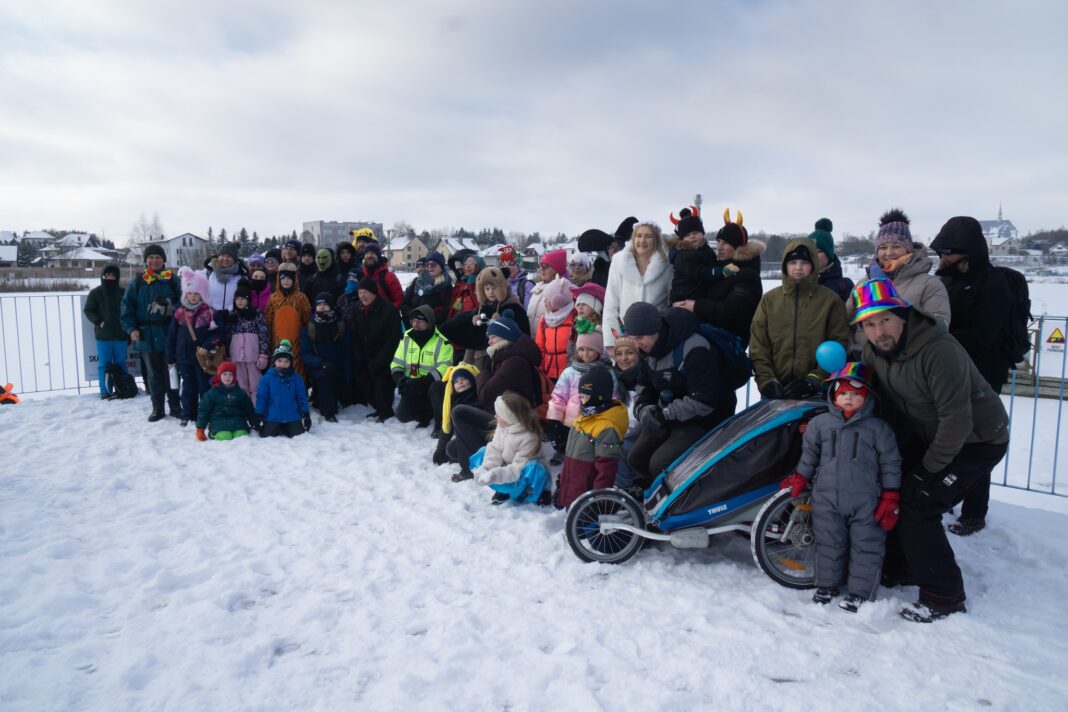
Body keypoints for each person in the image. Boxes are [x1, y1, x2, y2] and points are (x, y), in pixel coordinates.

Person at [851, 278, 1009, 622]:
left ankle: (945, 596)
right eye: (869, 324)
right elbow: (862, 383)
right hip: (932, 432)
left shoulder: (939, 351)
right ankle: (902, 567)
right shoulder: (873, 350)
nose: (879, 331)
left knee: (918, 503)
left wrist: (927, 471)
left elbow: (957, 422)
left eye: (885, 319)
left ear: (903, 315)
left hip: (978, 439)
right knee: (890, 486)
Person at [780, 362, 902, 612]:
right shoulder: (820, 425)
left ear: (867, 399)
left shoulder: (879, 429)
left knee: (866, 545)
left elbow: (891, 463)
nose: (849, 398)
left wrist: (890, 495)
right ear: (834, 395)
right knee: (828, 542)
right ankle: (827, 584)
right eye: (844, 393)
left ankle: (859, 592)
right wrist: (801, 477)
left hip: (867, 500)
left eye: (856, 394)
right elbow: (810, 455)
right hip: (826, 497)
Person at [931, 216, 1015, 535]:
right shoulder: (949, 281)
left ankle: (975, 512)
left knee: (977, 442)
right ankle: (949, 496)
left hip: (982, 376)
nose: (943, 259)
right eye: (942, 253)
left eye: (948, 253)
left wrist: (939, 337)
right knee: (949, 437)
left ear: (968, 252)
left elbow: (985, 335)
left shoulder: (993, 284)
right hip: (951, 374)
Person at [625, 303, 737, 488]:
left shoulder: (694, 348)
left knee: (659, 464)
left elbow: (704, 401)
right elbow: (643, 387)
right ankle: (660, 497)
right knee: (636, 458)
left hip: (704, 419)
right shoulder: (648, 351)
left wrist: (664, 414)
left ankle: (683, 502)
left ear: (656, 329)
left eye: (640, 337)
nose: (637, 344)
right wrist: (643, 408)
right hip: (669, 417)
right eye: (632, 338)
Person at [750, 237, 849, 399]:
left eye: (804, 262)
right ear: (784, 265)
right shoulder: (769, 300)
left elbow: (839, 344)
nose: (798, 268)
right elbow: (758, 345)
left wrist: (815, 380)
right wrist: (766, 380)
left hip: (815, 393)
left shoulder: (831, 301)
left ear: (813, 265)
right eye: (793, 262)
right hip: (776, 392)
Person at [447, 316, 542, 482]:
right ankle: (490, 456)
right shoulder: (504, 358)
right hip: (501, 421)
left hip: (513, 426)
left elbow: (485, 395)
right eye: (489, 338)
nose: (489, 342)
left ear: (506, 336)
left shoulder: (514, 362)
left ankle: (468, 470)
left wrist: (483, 371)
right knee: (452, 449)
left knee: (460, 413)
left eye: (493, 337)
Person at [848, 209, 950, 347]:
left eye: (896, 246)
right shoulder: (863, 284)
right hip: (867, 361)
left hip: (909, 362)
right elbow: (844, 321)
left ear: (908, 249)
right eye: (883, 247)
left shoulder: (929, 284)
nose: (889, 253)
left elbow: (939, 328)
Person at [673, 212, 765, 348]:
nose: (719, 247)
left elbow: (731, 311)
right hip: (709, 340)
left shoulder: (746, 275)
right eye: (718, 242)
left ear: (738, 247)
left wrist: (696, 306)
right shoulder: (719, 268)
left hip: (728, 346)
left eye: (726, 243)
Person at [121, 243, 182, 422]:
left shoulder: (172, 279)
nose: (154, 260)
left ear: (163, 260)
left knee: (172, 371)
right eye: (151, 257)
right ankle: (157, 408)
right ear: (146, 261)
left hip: (169, 332)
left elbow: (183, 302)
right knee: (153, 374)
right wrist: (131, 329)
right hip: (146, 334)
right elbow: (126, 307)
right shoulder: (137, 281)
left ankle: (176, 406)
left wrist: (171, 308)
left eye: (158, 257)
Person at [554, 365, 629, 509]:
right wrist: (561, 486)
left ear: (598, 397)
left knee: (585, 530)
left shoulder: (606, 429)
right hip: (575, 494)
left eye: (585, 397)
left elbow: (606, 471)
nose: (581, 400)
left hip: (588, 500)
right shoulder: (582, 419)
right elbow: (570, 458)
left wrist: (598, 501)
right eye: (580, 396)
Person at [602, 221, 673, 356]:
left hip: (655, 339)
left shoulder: (668, 264)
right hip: (625, 339)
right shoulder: (618, 261)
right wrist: (611, 342)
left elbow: (670, 304)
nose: (642, 240)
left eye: (648, 236)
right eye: (638, 236)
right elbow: (611, 304)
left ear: (656, 239)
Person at [544, 330, 620, 455]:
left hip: (595, 423)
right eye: (581, 349)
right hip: (570, 423)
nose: (585, 354)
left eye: (590, 349)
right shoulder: (569, 372)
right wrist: (555, 419)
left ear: (599, 351)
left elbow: (613, 397)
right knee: (570, 451)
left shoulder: (606, 373)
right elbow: (558, 397)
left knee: (587, 454)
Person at [472, 392, 550, 506]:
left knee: (534, 467)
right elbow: (495, 448)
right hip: (510, 468)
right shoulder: (504, 426)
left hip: (523, 474)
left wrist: (494, 475)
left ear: (509, 418)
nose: (495, 416)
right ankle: (504, 490)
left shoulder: (528, 437)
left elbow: (516, 470)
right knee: (484, 452)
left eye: (499, 414)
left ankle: (541, 492)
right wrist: (487, 468)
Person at [166, 267, 220, 427]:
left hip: (204, 358)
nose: (193, 296)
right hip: (184, 357)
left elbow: (219, 334)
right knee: (188, 388)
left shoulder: (211, 313)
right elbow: (171, 337)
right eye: (190, 293)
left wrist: (207, 345)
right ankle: (188, 414)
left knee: (205, 388)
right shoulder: (179, 313)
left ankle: (206, 414)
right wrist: (170, 357)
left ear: (202, 294)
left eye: (196, 293)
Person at [350, 276, 403, 422]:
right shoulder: (357, 309)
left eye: (366, 292)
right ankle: (378, 407)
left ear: (374, 293)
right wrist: (360, 358)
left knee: (382, 381)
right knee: (362, 379)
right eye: (360, 293)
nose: (363, 296)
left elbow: (393, 340)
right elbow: (354, 335)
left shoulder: (389, 310)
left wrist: (379, 361)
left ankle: (385, 410)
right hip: (365, 355)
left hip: (384, 357)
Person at [391, 305, 453, 427]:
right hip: (412, 385)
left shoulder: (442, 342)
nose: (415, 324)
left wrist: (420, 383)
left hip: (432, 385)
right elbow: (396, 362)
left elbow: (443, 369)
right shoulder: (406, 338)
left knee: (436, 389)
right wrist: (400, 380)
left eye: (419, 321)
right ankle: (424, 414)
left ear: (429, 322)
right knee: (402, 416)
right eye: (413, 321)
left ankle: (440, 423)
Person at [83, 263, 129, 399]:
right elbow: (88, 310)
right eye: (108, 275)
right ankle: (105, 391)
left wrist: (129, 329)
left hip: (121, 335)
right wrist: (99, 321)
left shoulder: (123, 292)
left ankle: (123, 389)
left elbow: (129, 310)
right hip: (104, 336)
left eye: (113, 275)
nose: (110, 277)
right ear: (103, 276)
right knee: (104, 364)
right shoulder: (95, 293)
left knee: (121, 363)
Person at [301, 292, 347, 422]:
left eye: (325, 304)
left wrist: (348, 373)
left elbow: (347, 350)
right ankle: (329, 412)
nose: (322, 307)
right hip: (318, 366)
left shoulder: (340, 324)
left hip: (337, 364)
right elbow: (305, 353)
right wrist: (320, 363)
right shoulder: (310, 326)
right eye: (319, 304)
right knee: (324, 377)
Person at [255, 340, 312, 438]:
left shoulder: (296, 378)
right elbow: (262, 398)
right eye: (279, 361)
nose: (282, 364)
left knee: (300, 437)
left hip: (292, 417)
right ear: (274, 361)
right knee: (266, 437)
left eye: (286, 361)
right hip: (272, 417)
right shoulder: (267, 378)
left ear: (290, 362)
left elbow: (302, 398)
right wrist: (259, 414)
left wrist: (306, 414)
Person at [264, 262, 311, 379]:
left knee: (296, 365)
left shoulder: (301, 298)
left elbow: (307, 318)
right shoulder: (274, 298)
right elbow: (268, 319)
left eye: (289, 279)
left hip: (297, 341)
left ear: (294, 280)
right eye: (283, 278)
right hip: (277, 340)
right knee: (279, 364)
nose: (286, 281)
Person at [609, 333, 643, 493]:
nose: (624, 358)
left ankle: (625, 489)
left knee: (617, 448)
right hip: (616, 429)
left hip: (637, 433)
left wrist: (614, 431)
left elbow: (636, 419)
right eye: (619, 354)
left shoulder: (643, 377)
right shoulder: (613, 378)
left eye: (629, 353)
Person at [226, 283, 269, 406]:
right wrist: (228, 355)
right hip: (237, 357)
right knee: (242, 386)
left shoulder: (256, 314)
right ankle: (246, 411)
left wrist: (263, 355)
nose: (240, 301)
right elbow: (228, 337)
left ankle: (258, 410)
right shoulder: (232, 316)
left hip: (253, 357)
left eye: (243, 299)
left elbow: (263, 334)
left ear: (248, 300)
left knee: (256, 385)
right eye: (237, 299)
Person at [431, 363, 480, 465]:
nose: (460, 382)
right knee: (446, 453)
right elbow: (447, 427)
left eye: (463, 378)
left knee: (451, 450)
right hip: (463, 438)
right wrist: (440, 449)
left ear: (472, 380)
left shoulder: (478, 399)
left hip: (478, 439)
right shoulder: (454, 400)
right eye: (456, 381)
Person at [195, 361, 256, 441]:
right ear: (219, 375)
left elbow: (249, 408)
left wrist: (254, 423)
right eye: (225, 374)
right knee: (225, 436)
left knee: (242, 436)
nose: (228, 377)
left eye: (231, 375)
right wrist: (200, 428)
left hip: (238, 421)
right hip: (219, 421)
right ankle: (216, 434)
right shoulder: (212, 393)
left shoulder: (239, 392)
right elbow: (204, 411)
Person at [668, 207, 715, 304]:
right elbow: (701, 274)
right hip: (683, 299)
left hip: (700, 298)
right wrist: (718, 272)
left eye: (695, 233)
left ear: (702, 234)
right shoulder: (683, 256)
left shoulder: (707, 251)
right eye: (687, 235)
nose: (692, 236)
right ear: (682, 239)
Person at [578, 217, 638, 288]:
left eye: (617, 248)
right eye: (611, 247)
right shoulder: (600, 270)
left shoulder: (632, 269)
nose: (613, 251)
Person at [535, 277, 576, 381]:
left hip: (570, 370)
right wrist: (541, 367)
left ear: (558, 300)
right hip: (549, 371)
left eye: (548, 298)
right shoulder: (544, 320)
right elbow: (540, 347)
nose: (544, 301)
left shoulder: (575, 317)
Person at [403, 251, 453, 327]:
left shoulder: (446, 286)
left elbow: (447, 309)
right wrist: (414, 315)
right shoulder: (417, 281)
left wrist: (428, 320)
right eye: (427, 264)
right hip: (413, 325)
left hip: (433, 328)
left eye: (433, 264)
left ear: (441, 267)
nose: (429, 267)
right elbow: (405, 303)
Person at [809, 218, 854, 302]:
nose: (813, 255)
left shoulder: (844, 286)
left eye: (818, 251)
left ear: (829, 255)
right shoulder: (800, 284)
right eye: (810, 251)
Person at [526, 248, 571, 331]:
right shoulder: (537, 289)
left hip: (549, 340)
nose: (541, 269)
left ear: (556, 269)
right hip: (533, 340)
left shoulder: (563, 292)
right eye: (540, 266)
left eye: (545, 266)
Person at [204, 242, 247, 313]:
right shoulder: (208, 272)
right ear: (218, 257)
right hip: (211, 316)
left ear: (235, 259)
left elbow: (245, 298)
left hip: (233, 316)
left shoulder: (241, 275)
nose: (225, 258)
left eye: (229, 256)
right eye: (222, 255)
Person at [359, 243, 404, 308]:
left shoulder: (389, 277)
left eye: (372, 253)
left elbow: (399, 300)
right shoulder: (361, 275)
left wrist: (387, 313)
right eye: (367, 253)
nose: (369, 256)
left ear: (378, 256)